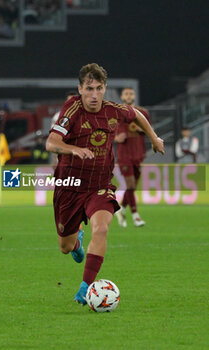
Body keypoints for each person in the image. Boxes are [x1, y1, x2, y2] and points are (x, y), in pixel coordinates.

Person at [46, 63, 164, 305]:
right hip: (70, 185)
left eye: (99, 88)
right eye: (89, 88)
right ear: (80, 89)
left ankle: (85, 287)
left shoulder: (112, 110)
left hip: (100, 184)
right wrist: (74, 149)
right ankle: (76, 240)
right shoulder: (72, 109)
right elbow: (51, 143)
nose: (94, 95)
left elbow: (137, 114)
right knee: (65, 247)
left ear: (105, 89)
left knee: (101, 229)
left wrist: (154, 138)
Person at [114, 87, 151, 227]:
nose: (129, 96)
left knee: (133, 186)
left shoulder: (143, 113)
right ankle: (136, 216)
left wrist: (144, 130)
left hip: (138, 153)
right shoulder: (117, 113)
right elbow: (108, 130)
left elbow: (150, 130)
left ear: (134, 95)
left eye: (131, 93)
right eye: (126, 93)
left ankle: (121, 209)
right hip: (124, 154)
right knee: (130, 184)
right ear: (122, 97)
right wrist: (116, 137)